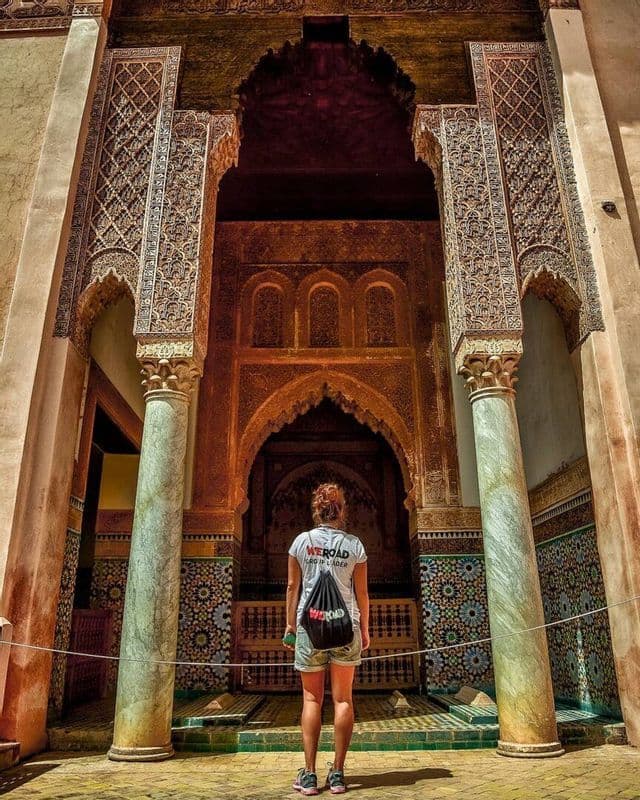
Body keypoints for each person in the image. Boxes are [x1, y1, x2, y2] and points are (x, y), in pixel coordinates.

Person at [283, 482, 370, 796]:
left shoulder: (301, 543)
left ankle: (308, 774)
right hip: (347, 628)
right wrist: (366, 629)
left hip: (311, 627)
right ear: (341, 511)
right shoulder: (355, 546)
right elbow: (362, 594)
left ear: (316, 511)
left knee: (311, 700)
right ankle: (338, 773)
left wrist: (290, 626)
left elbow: (293, 588)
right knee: (343, 700)